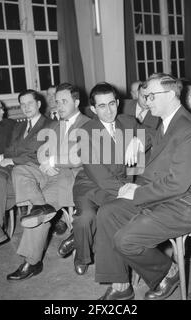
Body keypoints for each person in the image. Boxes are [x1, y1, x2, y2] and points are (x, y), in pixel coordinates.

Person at [95, 73, 191, 300]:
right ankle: (121, 286)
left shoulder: (190, 131)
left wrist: (137, 192)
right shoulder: (168, 120)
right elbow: (156, 137)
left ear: (170, 95)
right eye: (145, 96)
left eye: (151, 96)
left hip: (188, 202)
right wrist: (139, 138)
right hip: (164, 195)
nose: (146, 101)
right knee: (107, 213)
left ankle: (169, 271)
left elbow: (177, 184)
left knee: (125, 240)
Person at [6, 83, 90, 281]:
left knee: (42, 211)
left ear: (76, 102)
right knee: (20, 170)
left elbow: (78, 157)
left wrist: (52, 161)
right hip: (49, 172)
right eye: (57, 101)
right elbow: (42, 150)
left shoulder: (88, 124)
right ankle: (39, 206)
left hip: (69, 176)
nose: (59, 106)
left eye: (64, 101)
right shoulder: (56, 125)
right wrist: (44, 162)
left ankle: (32, 262)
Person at [58, 82, 138, 275]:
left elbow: (154, 135)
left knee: (113, 216)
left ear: (117, 102)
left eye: (112, 103)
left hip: (118, 183)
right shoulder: (86, 132)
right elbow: (99, 175)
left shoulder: (129, 122)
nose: (109, 110)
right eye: (102, 106)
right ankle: (82, 255)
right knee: (86, 218)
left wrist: (138, 140)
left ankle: (86, 240)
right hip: (89, 184)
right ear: (93, 109)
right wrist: (126, 190)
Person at [0, 89, 53, 252]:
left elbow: (44, 155)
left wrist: (14, 160)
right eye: (22, 104)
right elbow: (10, 149)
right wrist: (8, 160)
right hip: (13, 166)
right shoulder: (19, 126)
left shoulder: (50, 125)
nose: (26, 107)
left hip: (32, 169)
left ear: (38, 104)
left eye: (30, 103)